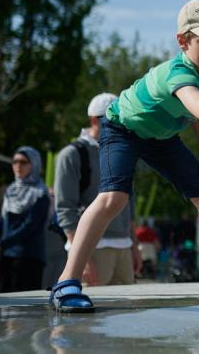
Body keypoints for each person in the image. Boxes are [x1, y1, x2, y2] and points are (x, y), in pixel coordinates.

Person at [49, 0, 199, 313]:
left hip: (160, 137)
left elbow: (195, 113)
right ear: (183, 41)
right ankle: (66, 282)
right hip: (122, 128)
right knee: (114, 198)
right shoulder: (176, 73)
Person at [54, 93, 142, 287]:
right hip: (93, 249)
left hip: (124, 247)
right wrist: (81, 259)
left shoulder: (122, 152)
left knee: (128, 313)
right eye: (114, 119)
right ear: (94, 120)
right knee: (88, 315)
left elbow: (129, 202)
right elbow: (64, 208)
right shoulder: (72, 154)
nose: (122, 125)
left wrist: (134, 244)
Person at [0, 146, 50, 292]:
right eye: (15, 162)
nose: (18, 166)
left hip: (29, 259)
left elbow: (29, 225)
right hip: (7, 257)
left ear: (34, 164)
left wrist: (1, 243)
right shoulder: (10, 191)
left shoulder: (40, 194)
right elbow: (2, 220)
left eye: (23, 162)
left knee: (25, 312)